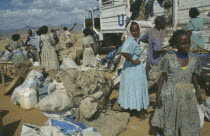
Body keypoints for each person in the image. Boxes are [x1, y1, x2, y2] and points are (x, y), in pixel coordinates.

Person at [152, 30, 203, 136]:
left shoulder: (194, 59)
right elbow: (163, 77)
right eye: (183, 43)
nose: (187, 45)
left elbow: (194, 77)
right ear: (176, 44)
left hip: (186, 95)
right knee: (170, 119)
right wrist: (158, 94)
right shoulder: (169, 58)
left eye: (188, 42)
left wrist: (198, 92)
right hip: (170, 95)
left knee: (186, 120)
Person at [118, 21, 149, 120]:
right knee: (138, 88)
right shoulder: (130, 40)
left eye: (137, 30)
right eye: (133, 30)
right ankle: (141, 114)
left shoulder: (134, 40)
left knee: (130, 88)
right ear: (129, 31)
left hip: (129, 69)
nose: (136, 32)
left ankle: (130, 109)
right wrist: (132, 60)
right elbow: (123, 51)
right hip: (134, 68)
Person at [141, 16, 166, 89]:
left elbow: (142, 39)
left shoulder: (151, 31)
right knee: (153, 79)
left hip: (149, 59)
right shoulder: (157, 34)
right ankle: (143, 91)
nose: (164, 24)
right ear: (158, 24)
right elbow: (156, 51)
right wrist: (164, 51)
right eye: (163, 23)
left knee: (149, 76)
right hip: (155, 61)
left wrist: (150, 43)